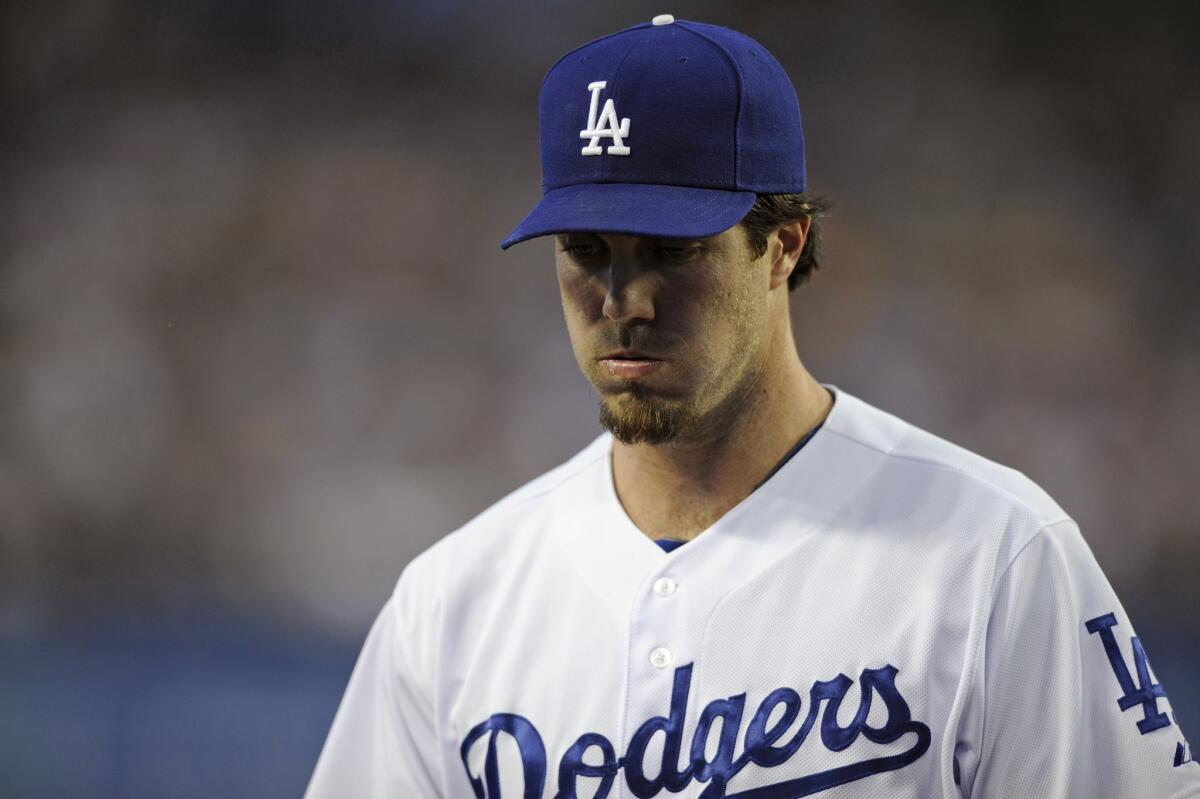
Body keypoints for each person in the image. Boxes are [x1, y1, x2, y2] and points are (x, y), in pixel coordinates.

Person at [306, 15, 1199, 798]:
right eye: (586, 247)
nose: (625, 298)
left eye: (671, 247)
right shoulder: (451, 604)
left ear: (783, 243)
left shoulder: (996, 558)